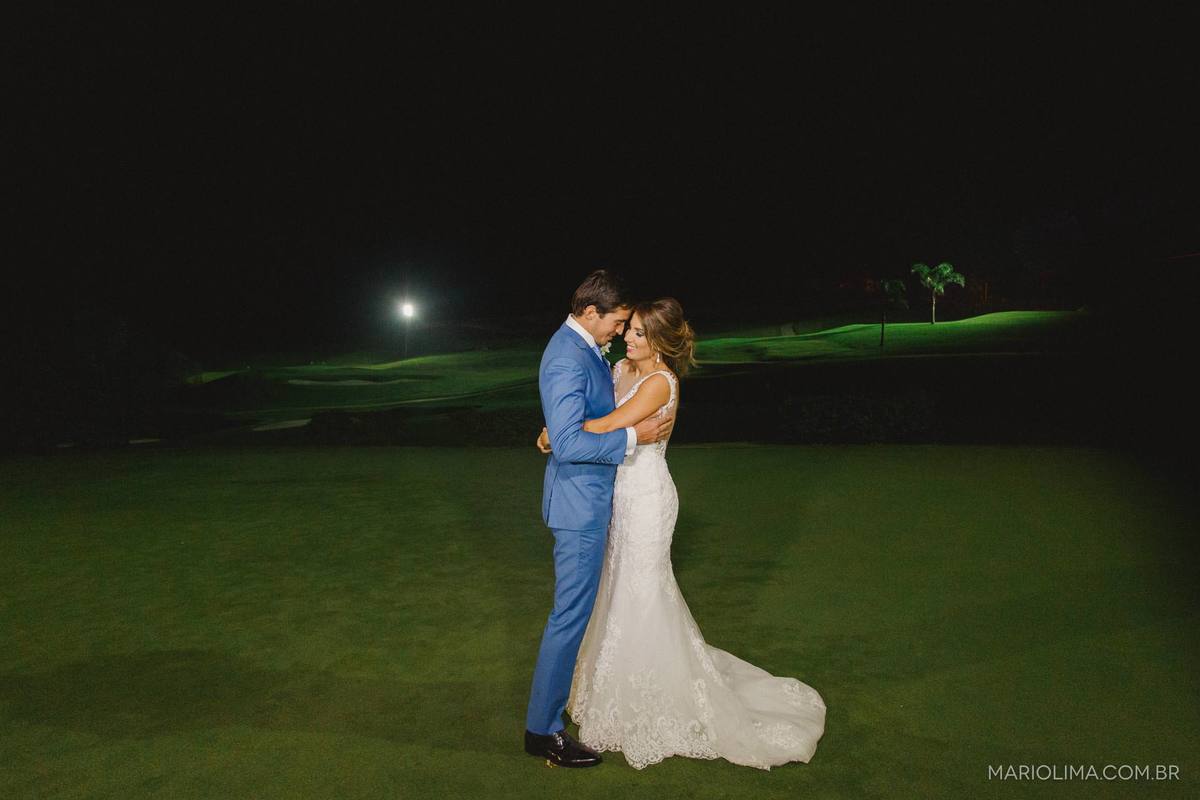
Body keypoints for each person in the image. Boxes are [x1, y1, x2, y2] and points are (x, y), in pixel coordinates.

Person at [537, 297, 826, 770]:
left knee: (643, 592)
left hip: (647, 500)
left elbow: (608, 425)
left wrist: (558, 435)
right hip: (616, 498)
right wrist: (559, 428)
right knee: (615, 591)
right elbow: (594, 411)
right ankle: (607, 687)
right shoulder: (620, 372)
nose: (628, 338)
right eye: (627, 329)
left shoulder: (658, 383)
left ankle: (651, 700)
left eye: (639, 334)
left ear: (662, 342)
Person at [524, 270, 675, 768]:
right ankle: (543, 732)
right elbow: (571, 443)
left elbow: (571, 426)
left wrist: (554, 432)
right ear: (591, 313)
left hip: (599, 499)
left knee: (587, 611)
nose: (620, 331)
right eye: (617, 322)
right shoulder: (568, 354)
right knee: (569, 618)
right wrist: (635, 439)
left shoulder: (585, 348)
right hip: (580, 506)